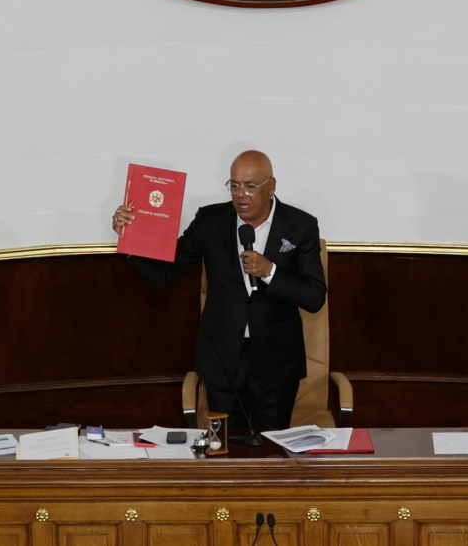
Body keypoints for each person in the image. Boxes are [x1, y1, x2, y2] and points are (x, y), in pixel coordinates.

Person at [112, 150, 326, 433]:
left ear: (271, 186)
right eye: (234, 184)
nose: (240, 194)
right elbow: (165, 275)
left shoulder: (301, 225)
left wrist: (270, 272)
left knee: (272, 453)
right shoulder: (210, 221)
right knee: (224, 450)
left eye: (251, 186)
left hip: (276, 362)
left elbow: (314, 297)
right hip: (223, 360)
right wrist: (131, 239)